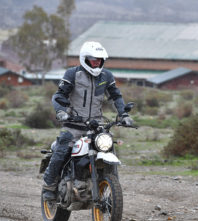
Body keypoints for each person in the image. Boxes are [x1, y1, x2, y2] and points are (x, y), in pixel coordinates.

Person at [42, 41, 133, 200]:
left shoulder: (106, 76)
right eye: (93, 59)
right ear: (85, 58)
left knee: (109, 147)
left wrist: (123, 115)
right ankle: (49, 185)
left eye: (100, 59)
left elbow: (115, 97)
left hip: (96, 126)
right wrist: (61, 112)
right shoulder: (73, 74)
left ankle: (112, 190)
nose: (97, 62)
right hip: (73, 125)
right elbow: (59, 96)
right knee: (62, 148)